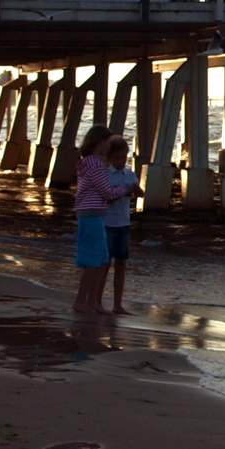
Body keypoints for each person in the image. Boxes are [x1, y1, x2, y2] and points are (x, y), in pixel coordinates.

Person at [87, 136, 147, 315]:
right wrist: (123, 192)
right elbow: (106, 196)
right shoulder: (105, 174)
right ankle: (96, 300)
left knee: (122, 264)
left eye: (124, 158)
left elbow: (140, 193)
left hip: (123, 223)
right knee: (104, 264)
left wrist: (137, 191)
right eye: (117, 158)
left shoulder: (129, 174)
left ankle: (117, 304)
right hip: (108, 222)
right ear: (109, 158)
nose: (121, 162)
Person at [70, 126, 125, 314]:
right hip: (91, 214)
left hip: (91, 213)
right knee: (93, 260)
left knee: (101, 258)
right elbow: (107, 192)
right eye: (108, 144)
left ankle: (92, 301)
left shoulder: (86, 162)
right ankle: (81, 301)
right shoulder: (95, 164)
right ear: (100, 143)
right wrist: (126, 189)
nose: (109, 148)